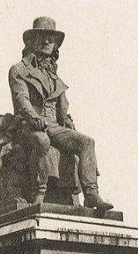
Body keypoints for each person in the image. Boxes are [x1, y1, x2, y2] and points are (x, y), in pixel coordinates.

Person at [9, 17, 113, 210]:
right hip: (27, 125)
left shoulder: (56, 77)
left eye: (51, 38)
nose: (47, 41)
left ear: (56, 44)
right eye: (42, 36)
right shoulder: (19, 70)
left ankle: (91, 194)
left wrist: (68, 122)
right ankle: (39, 194)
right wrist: (34, 118)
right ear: (32, 41)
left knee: (87, 142)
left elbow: (61, 110)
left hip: (54, 126)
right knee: (42, 141)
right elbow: (22, 100)